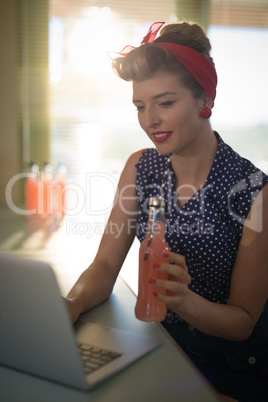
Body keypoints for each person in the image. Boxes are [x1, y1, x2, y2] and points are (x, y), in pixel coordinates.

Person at [65, 21, 268, 401]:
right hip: (161, 345)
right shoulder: (140, 168)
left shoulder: (254, 191)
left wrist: (183, 300)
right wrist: (71, 303)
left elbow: (242, 322)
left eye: (166, 103)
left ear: (205, 99)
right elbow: (106, 266)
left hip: (234, 366)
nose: (149, 120)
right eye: (140, 106)